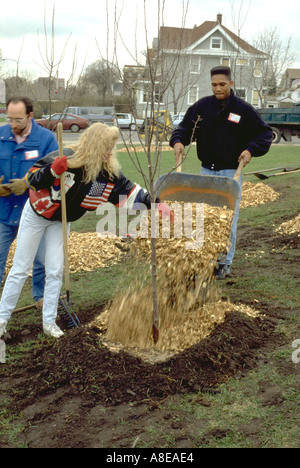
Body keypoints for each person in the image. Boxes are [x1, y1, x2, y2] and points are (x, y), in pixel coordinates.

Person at [0, 123, 172, 339]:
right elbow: (32, 179)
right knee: (21, 266)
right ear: (94, 145)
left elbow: (132, 191)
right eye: (106, 146)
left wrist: (156, 203)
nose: (110, 152)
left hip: (61, 221)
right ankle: (2, 320)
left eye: (112, 147)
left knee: (55, 270)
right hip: (37, 214)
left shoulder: (109, 175)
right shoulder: (64, 157)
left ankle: (49, 323)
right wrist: (52, 171)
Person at [170, 66, 273, 279]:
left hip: (230, 174)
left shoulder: (243, 109)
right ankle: (203, 260)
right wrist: (178, 141)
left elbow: (264, 134)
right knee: (204, 218)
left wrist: (250, 150)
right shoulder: (202, 107)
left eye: (222, 84)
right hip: (206, 171)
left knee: (227, 220)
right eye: (214, 85)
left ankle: (224, 262)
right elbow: (184, 128)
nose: (218, 88)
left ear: (231, 84)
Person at [0, 96, 58, 301]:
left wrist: (27, 183)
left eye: (18, 120)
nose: (13, 125)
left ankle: (40, 300)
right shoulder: (1, 135)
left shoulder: (46, 140)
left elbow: (55, 174)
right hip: (4, 212)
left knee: (41, 259)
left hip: (35, 211)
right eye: (10, 120)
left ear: (30, 115)